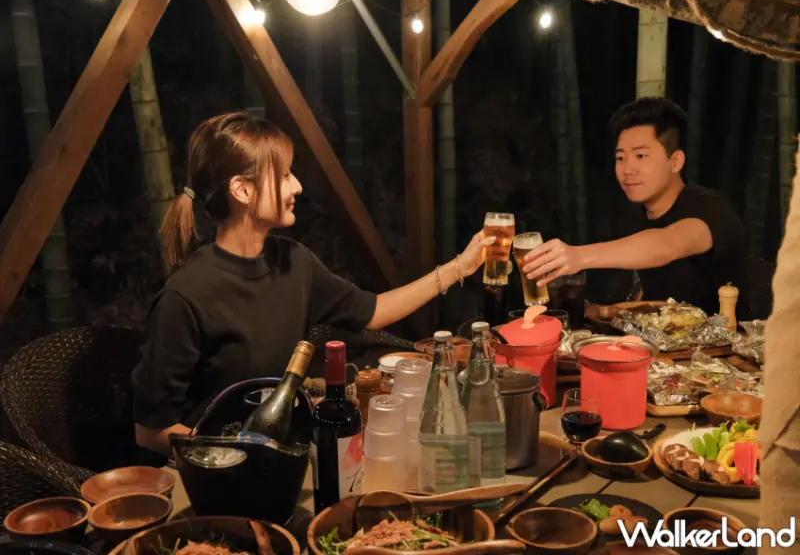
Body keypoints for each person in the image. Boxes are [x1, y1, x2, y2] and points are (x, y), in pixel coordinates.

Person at [132, 111, 494, 456]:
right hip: (215, 479)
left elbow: (373, 311)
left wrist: (459, 267)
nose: (298, 186)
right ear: (242, 190)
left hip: (287, 459)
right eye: (284, 175)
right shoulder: (186, 295)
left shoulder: (293, 262)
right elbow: (150, 432)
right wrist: (236, 456)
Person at [521, 97, 750, 319]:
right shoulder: (636, 211)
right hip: (665, 339)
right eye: (621, 158)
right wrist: (605, 312)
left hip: (728, 341)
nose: (628, 169)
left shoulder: (712, 209)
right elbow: (653, 295)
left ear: (676, 162)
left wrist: (578, 256)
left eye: (641, 156)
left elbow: (667, 245)